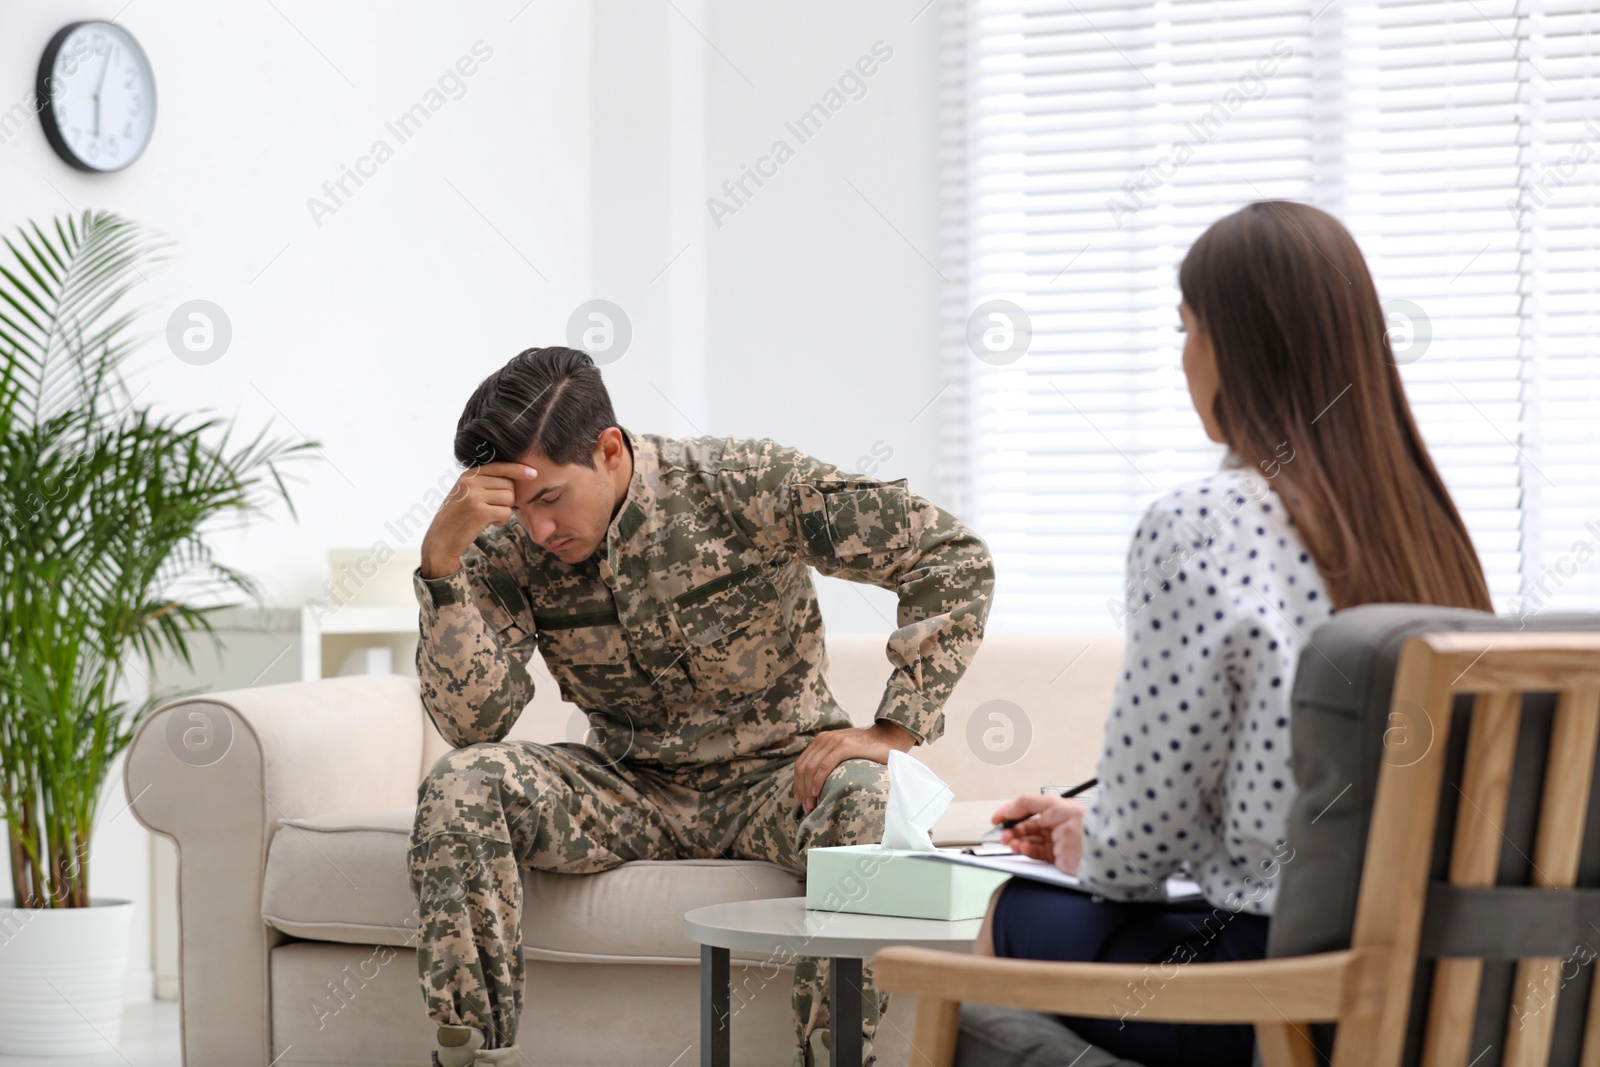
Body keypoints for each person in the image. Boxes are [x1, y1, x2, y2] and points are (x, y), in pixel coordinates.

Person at [964, 201, 1494, 1067]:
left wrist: (1092, 838)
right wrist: (1100, 818)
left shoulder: (1203, 523)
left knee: (1015, 915)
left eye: (1187, 329)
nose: (1182, 360)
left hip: (1282, 994)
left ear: (1234, 349)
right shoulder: (1430, 535)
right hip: (1447, 992)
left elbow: (1133, 858)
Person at [407, 345, 995, 1067]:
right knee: (460, 782)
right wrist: (440, 570)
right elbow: (474, 725)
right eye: (518, 507)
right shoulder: (504, 545)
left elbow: (950, 556)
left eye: (551, 497)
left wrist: (894, 726)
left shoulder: (738, 482)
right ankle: (473, 1057)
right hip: (628, 787)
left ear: (610, 449)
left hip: (781, 778)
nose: (536, 529)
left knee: (868, 798)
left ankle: (832, 1058)